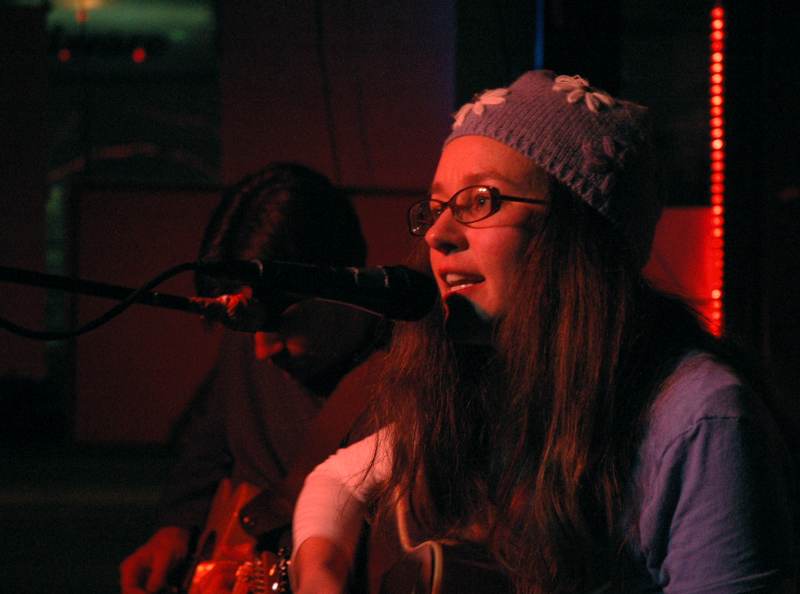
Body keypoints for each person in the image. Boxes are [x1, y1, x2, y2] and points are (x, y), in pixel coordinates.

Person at [290, 71, 798, 593]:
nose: (439, 234)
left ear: (576, 236)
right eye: (439, 206)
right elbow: (337, 480)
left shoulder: (702, 421)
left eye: (479, 200)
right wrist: (320, 574)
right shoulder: (500, 383)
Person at [120, 163, 386, 594]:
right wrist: (176, 526)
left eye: (281, 320)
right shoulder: (246, 343)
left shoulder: (404, 376)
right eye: (246, 325)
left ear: (345, 282)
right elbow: (207, 437)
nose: (261, 349)